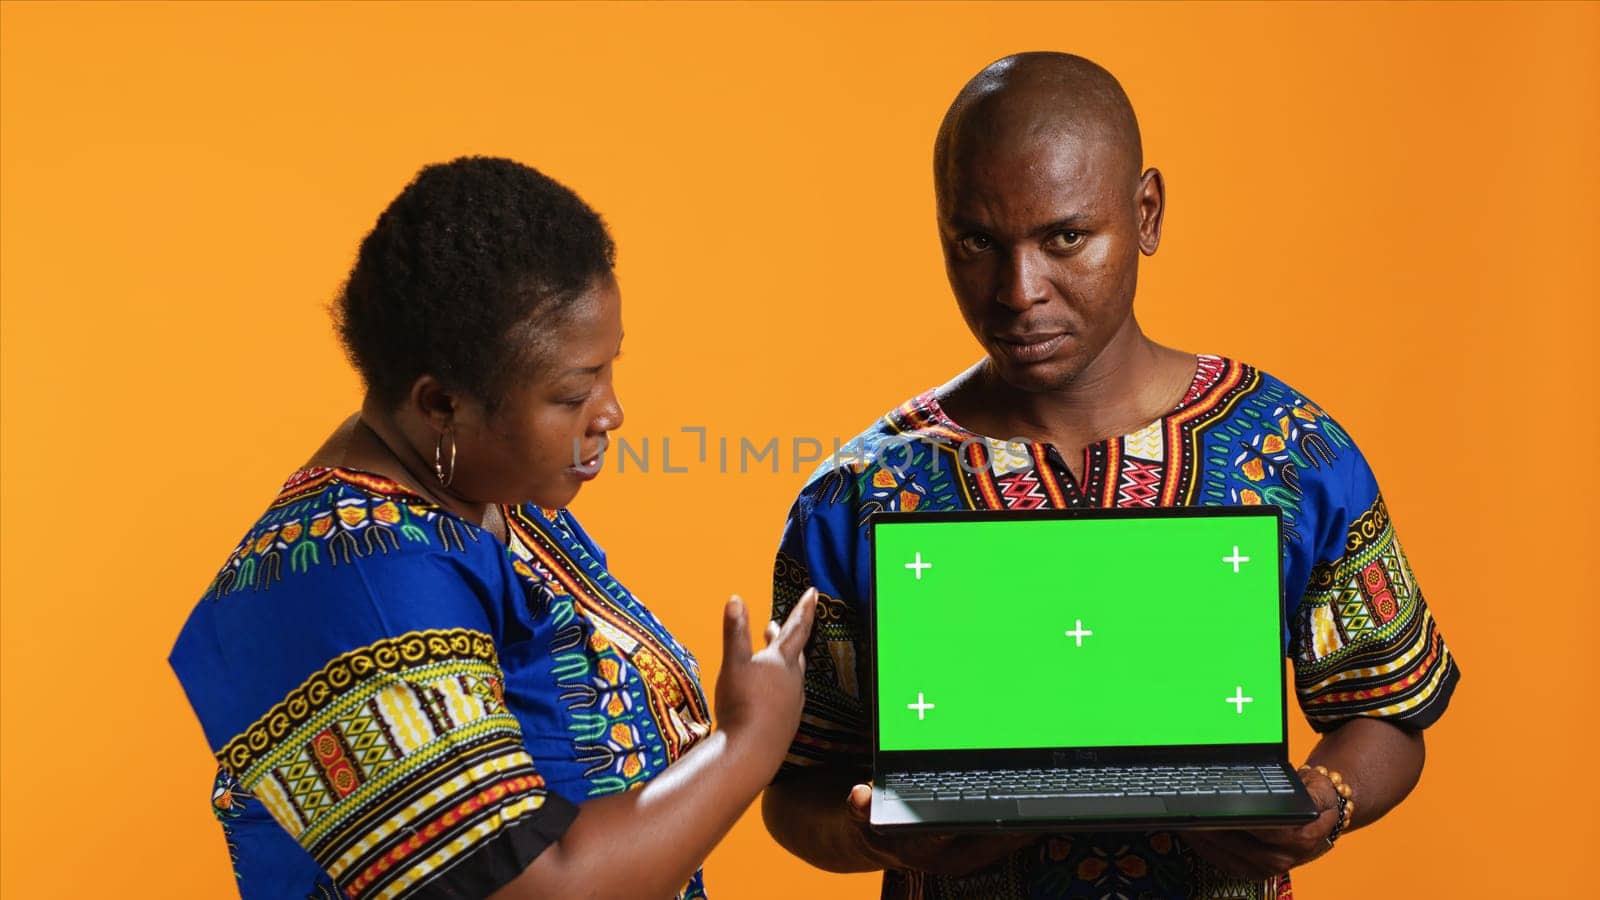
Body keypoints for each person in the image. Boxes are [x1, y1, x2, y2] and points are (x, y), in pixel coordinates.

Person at [762, 52, 1460, 899]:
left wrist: (1328, 799)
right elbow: (796, 784)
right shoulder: (859, 492)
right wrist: (873, 832)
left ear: (1146, 213)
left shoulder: (1291, 450)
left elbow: (1385, 709)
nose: (1020, 291)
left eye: (1065, 238)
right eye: (977, 243)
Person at [169, 156, 818, 900]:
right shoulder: (353, 578)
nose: (611, 413)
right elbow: (533, 889)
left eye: (611, 368)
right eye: (573, 392)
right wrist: (746, 743)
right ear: (441, 403)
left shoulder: (487, 502)